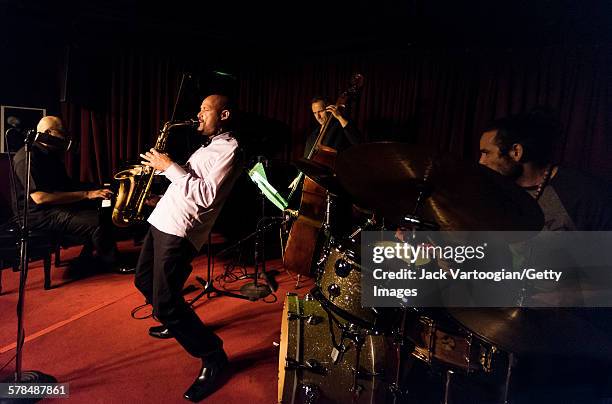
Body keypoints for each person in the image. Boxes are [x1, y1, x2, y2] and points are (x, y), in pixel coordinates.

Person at [134, 94, 242, 402]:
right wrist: (159, 169)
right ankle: (173, 320)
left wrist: (170, 166)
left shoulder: (230, 149)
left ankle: (213, 356)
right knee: (143, 281)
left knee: (166, 303)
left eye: (204, 110)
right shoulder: (207, 146)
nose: (198, 115)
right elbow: (186, 181)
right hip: (162, 220)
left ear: (224, 114)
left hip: (181, 231)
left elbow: (207, 194)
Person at [12, 116, 132, 273]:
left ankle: (87, 255)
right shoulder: (28, 157)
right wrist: (87, 194)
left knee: (101, 210)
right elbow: (40, 198)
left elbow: (66, 185)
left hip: (53, 208)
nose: (66, 137)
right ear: (49, 132)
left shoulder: (50, 155)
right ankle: (112, 263)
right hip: (38, 215)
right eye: (62, 132)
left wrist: (97, 188)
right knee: (97, 222)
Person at [478, 110, 612, 231]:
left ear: (516, 152)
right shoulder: (498, 192)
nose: (481, 161)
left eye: (486, 153)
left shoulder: (584, 192)